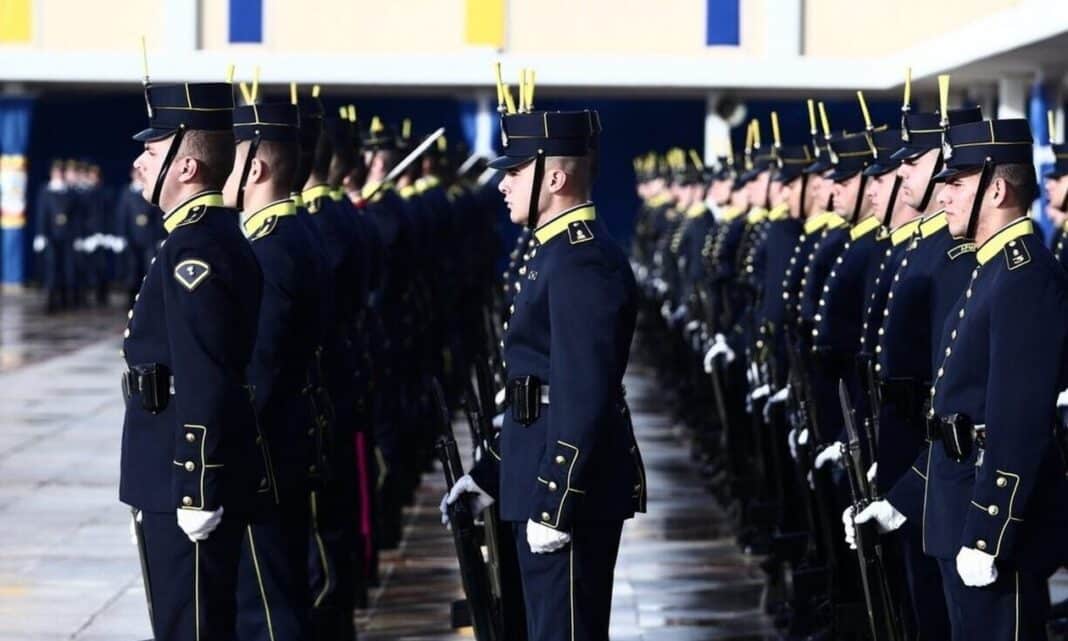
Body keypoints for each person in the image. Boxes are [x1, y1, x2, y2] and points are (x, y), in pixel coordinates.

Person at [443, 77, 645, 641]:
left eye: (515, 170)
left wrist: (556, 502)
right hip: (536, 477)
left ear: (555, 178)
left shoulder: (581, 262)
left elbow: (582, 393)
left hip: (568, 493)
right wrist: (491, 472)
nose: (502, 183)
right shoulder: (553, 254)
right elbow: (533, 389)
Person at [855, 118, 1068, 641]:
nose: (942, 195)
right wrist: (902, 500)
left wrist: (990, 532)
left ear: (996, 190)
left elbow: (1018, 425)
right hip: (958, 513)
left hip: (991, 525)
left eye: (956, 182)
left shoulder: (1025, 277)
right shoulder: (990, 270)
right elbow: (956, 418)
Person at [120, 80, 269, 641]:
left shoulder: (196, 248)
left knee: (194, 628)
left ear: (186, 167)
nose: (139, 162)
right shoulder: (196, 238)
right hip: (165, 473)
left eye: (153, 151)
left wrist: (196, 487)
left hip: (181, 477)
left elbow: (204, 374)